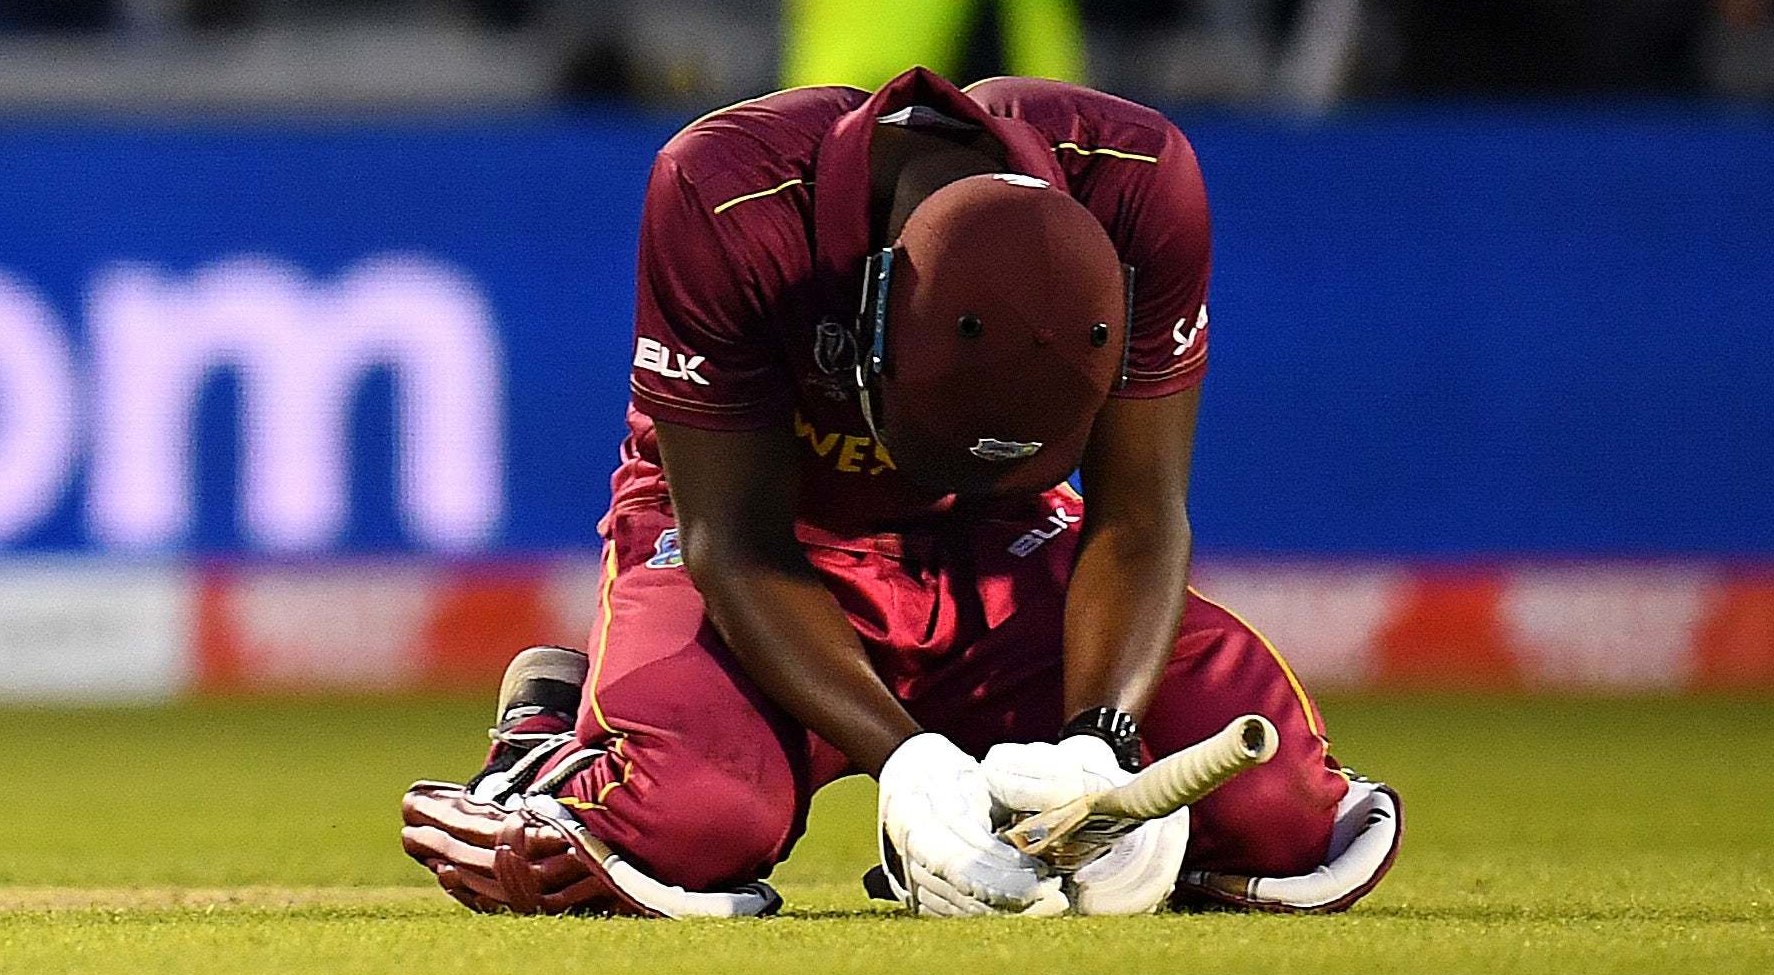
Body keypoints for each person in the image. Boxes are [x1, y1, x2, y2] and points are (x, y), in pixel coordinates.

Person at [401, 65, 1402, 918]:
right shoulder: (726, 191)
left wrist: (1101, 746)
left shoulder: (1139, 185)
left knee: (1282, 819)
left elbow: (1137, 517)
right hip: (763, 542)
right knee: (689, 828)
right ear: (867, 318)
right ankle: (541, 752)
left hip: (1002, 544)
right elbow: (733, 542)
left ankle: (992, 825)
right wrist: (913, 768)